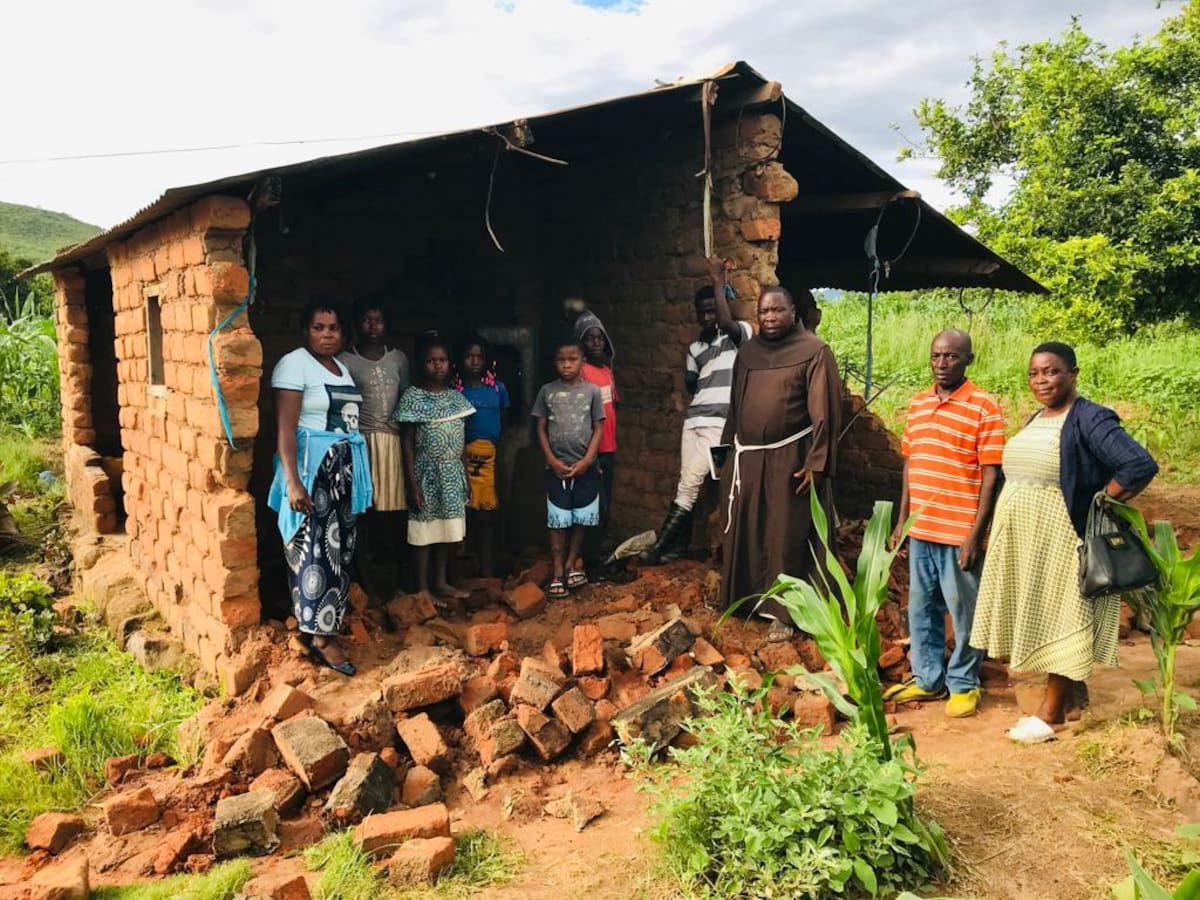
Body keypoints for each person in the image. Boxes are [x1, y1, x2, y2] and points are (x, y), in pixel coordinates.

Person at [970, 342, 1158, 743]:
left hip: (1061, 534)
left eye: (1051, 372)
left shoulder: (1089, 418)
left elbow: (1138, 463)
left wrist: (1102, 501)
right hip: (1028, 537)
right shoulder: (1039, 416)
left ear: (1072, 373)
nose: (1042, 380)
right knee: (1044, 612)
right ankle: (1070, 702)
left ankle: (1050, 714)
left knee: (1064, 615)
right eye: (1035, 373)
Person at [885, 330, 1005, 718]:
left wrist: (976, 534)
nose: (941, 363)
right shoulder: (918, 404)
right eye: (936, 356)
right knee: (921, 609)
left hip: (958, 533)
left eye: (951, 357)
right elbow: (911, 464)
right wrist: (902, 519)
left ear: (969, 359)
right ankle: (928, 679)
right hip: (922, 531)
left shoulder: (984, 407)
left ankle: (964, 683)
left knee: (965, 611)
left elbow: (991, 475)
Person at [718, 283, 843, 642]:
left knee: (785, 532)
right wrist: (727, 450)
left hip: (792, 459)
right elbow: (735, 407)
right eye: (764, 312)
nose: (770, 317)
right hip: (749, 459)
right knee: (747, 528)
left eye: (777, 311)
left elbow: (825, 412)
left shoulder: (814, 352)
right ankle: (744, 598)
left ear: (793, 313)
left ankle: (787, 613)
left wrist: (817, 463)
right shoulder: (749, 354)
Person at [268, 300, 373, 676]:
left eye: (333, 328)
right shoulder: (294, 365)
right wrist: (294, 482)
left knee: (339, 551)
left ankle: (325, 624)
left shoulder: (341, 368)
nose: (327, 334)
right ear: (305, 331)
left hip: (342, 475)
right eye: (319, 327)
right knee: (314, 551)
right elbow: (285, 429)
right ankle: (320, 638)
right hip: (312, 474)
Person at [642, 257, 752, 565]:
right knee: (689, 482)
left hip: (720, 426)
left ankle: (659, 549)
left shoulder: (738, 335)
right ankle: (679, 547)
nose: (706, 316)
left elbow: (729, 324)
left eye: (712, 310)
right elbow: (692, 384)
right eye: (701, 312)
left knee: (699, 483)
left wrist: (719, 283)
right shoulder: (695, 349)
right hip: (694, 423)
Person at [393, 334, 475, 609]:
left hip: (452, 474)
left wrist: (465, 476)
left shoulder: (456, 398)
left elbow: (462, 442)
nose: (437, 366)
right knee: (424, 533)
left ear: (450, 364)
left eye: (442, 360)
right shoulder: (413, 397)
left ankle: (441, 582)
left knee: (446, 532)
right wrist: (412, 483)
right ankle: (423, 587)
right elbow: (407, 443)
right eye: (430, 361)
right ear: (420, 364)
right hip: (426, 474)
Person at [339, 298, 410, 603]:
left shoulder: (398, 360)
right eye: (366, 320)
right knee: (364, 515)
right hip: (362, 444)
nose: (372, 327)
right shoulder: (346, 360)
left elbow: (407, 404)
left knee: (393, 514)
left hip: (392, 443)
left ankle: (393, 582)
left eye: (378, 320)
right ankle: (365, 582)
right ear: (357, 324)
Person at [532, 336, 606, 600]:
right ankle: (556, 571)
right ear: (555, 363)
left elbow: (599, 427)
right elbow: (540, 427)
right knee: (558, 519)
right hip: (556, 468)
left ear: (582, 362)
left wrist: (587, 460)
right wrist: (551, 459)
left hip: (585, 466)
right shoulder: (547, 392)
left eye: (572, 359)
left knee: (581, 517)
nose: (567, 365)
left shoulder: (593, 392)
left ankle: (572, 562)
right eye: (562, 360)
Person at [454, 332, 511, 577]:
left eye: (479, 357)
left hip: (489, 456)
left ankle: (487, 571)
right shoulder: (455, 391)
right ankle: (461, 571)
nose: (474, 361)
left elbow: (504, 419)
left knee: (487, 514)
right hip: (461, 458)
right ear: (460, 359)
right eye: (469, 356)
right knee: (463, 512)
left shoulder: (497, 389)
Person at [574, 310, 618, 581]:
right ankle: (590, 563)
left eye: (599, 338)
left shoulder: (606, 372)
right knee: (594, 508)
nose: (596, 343)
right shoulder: (582, 373)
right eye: (589, 339)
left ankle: (596, 558)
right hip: (592, 451)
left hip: (609, 448)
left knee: (605, 506)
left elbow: (612, 407)